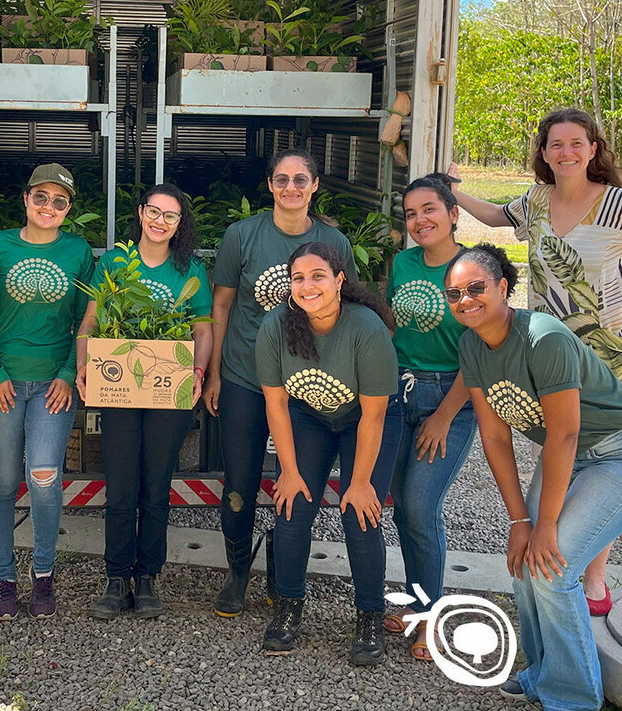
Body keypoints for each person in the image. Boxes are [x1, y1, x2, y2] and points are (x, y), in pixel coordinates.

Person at [450, 107, 622, 616]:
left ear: (593, 149)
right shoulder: (537, 201)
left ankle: (593, 570)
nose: (565, 153)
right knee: (559, 456)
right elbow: (491, 215)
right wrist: (448, 190)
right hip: (547, 352)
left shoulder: (617, 204)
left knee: (600, 449)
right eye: (555, 145)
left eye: (576, 143)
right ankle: (563, 556)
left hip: (609, 354)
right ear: (544, 153)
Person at [446, 244, 622, 711]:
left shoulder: (544, 339)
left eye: (477, 288)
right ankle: (541, 673)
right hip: (565, 455)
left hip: (615, 451)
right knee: (525, 560)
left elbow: (565, 433)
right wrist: (520, 521)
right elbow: (495, 435)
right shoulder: (471, 346)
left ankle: (573, 699)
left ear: (504, 287)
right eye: (455, 294)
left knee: (552, 564)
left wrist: (545, 525)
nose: (465, 299)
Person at [203, 148, 357, 617]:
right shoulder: (242, 236)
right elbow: (222, 305)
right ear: (269, 185)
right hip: (245, 379)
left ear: (314, 186)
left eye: (300, 180)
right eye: (282, 179)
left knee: (296, 482)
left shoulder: (334, 241)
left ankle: (282, 576)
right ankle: (236, 574)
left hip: (305, 387)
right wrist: (213, 375)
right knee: (241, 481)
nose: (291, 188)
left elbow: (344, 312)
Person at [255, 242, 399, 660]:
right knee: (292, 505)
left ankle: (370, 616)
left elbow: (374, 415)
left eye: (318, 276)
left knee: (360, 512)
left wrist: (357, 484)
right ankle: (287, 608)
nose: (307, 285)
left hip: (368, 419)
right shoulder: (276, 325)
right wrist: (289, 470)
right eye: (298, 278)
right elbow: (276, 404)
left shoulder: (365, 327)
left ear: (339, 281)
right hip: (310, 416)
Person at [76, 183, 212, 619]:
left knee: (155, 485)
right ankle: (116, 577)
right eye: (154, 211)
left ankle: (148, 577)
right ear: (140, 212)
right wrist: (83, 365)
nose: (160, 221)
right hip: (119, 387)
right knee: (120, 483)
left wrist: (199, 372)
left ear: (179, 224)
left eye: (170, 216)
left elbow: (204, 329)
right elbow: (93, 318)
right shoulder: (116, 261)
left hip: (168, 389)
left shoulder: (190, 268)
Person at [0, 163, 94, 621]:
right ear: (25, 199)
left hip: (52, 385)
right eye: (40, 197)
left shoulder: (79, 251)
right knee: (2, 483)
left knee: (43, 477)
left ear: (68, 209)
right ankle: (4, 578)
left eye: (59, 201)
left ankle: (43, 575)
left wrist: (68, 372)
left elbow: (87, 319)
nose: (49, 207)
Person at [383, 174, 476, 659]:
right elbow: (396, 326)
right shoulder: (402, 263)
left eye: (430, 210)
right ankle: (420, 604)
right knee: (401, 505)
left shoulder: (471, 269)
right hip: (400, 391)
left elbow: (478, 353)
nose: (420, 220)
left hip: (451, 398)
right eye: (411, 213)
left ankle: (432, 618)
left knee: (421, 506)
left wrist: (444, 415)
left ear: (453, 214)